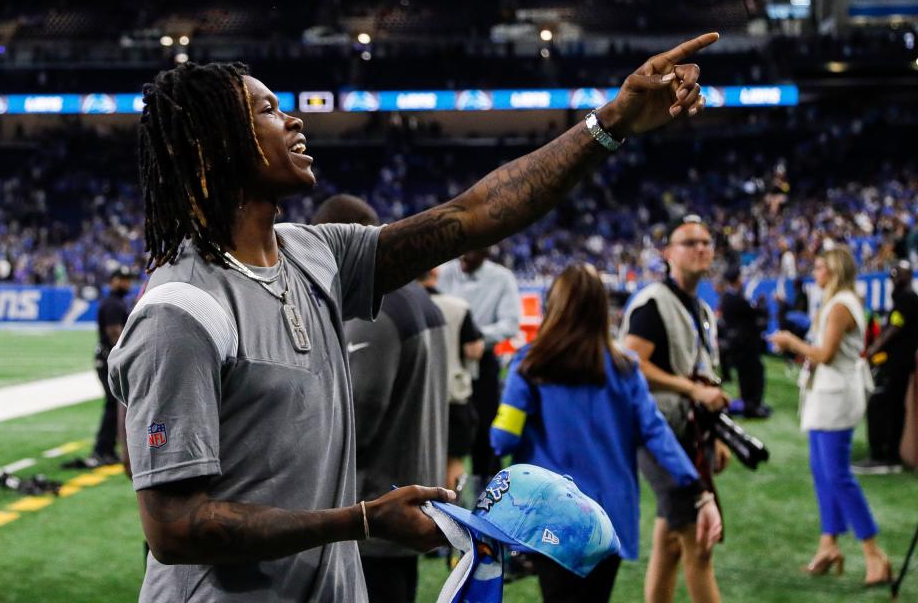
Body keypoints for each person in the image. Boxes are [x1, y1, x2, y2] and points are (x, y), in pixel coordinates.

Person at [108, 31, 719, 602]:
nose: (294, 120)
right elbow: (175, 526)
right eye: (267, 111)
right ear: (211, 147)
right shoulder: (182, 311)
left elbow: (474, 215)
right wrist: (364, 520)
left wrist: (611, 122)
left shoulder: (314, 255)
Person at [490, 264, 722, 603]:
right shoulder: (625, 367)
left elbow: (503, 440)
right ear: (602, 310)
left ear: (552, 306)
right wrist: (699, 490)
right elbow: (657, 435)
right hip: (609, 518)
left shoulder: (529, 364)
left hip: (550, 517)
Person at [311, 194, 448, 603]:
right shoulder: (419, 298)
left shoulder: (375, 308)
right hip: (407, 496)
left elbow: (360, 411)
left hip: (374, 508)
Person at [621, 215, 731, 603]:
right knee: (699, 542)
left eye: (706, 241)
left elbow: (703, 375)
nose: (701, 248)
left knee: (672, 543)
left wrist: (715, 433)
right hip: (656, 433)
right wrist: (690, 390)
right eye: (690, 242)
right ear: (669, 254)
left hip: (687, 432)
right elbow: (631, 365)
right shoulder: (653, 304)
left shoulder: (699, 307)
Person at [768, 247, 892, 586]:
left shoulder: (839, 305)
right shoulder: (838, 302)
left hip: (836, 396)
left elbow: (824, 354)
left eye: (821, 266)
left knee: (837, 475)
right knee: (822, 472)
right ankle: (828, 544)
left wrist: (791, 342)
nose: (815, 272)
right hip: (827, 395)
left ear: (834, 270)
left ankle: (873, 554)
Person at [437, 248, 521, 483]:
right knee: (441, 435)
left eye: (473, 251)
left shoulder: (502, 278)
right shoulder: (445, 272)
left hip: (481, 362)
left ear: (487, 252)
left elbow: (510, 323)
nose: (465, 256)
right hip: (446, 361)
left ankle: (487, 500)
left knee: (484, 438)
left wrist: (474, 337)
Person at [418, 267, 485, 492]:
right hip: (452, 396)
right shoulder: (457, 307)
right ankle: (451, 518)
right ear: (435, 273)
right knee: (453, 462)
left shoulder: (395, 305)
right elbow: (474, 350)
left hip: (414, 398)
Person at [856, 260, 918, 473]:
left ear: (907, 276)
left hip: (897, 364)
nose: (894, 279)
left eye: (898, 275)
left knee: (880, 405)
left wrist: (872, 350)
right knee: (890, 407)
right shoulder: (904, 299)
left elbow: (894, 328)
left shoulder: (907, 299)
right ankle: (888, 455)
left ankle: (882, 455)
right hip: (897, 363)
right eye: (892, 275)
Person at [88, 266, 133, 467]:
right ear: (112, 281)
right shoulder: (113, 305)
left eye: (127, 279)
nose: (125, 283)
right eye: (121, 279)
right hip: (109, 360)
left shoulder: (116, 302)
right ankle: (102, 449)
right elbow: (115, 333)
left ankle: (106, 448)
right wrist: (127, 355)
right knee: (113, 404)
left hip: (108, 359)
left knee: (114, 404)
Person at [719, 267, 771, 418]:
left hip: (743, 344)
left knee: (750, 374)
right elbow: (753, 312)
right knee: (751, 375)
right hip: (743, 345)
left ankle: (752, 404)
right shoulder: (732, 298)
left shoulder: (731, 297)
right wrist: (760, 306)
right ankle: (751, 406)